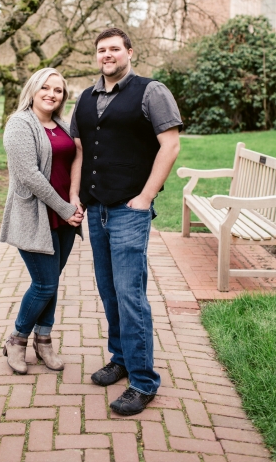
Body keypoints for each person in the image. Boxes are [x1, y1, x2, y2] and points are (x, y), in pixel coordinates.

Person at [70, 27, 182, 416]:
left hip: (129, 209)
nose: (107, 55)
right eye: (101, 50)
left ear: (130, 52)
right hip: (96, 207)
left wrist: (146, 197)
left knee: (131, 293)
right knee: (108, 289)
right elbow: (81, 153)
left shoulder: (152, 91)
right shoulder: (84, 98)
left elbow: (170, 145)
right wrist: (76, 198)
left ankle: (143, 380)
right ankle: (119, 358)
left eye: (114, 49)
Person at [0, 67, 84, 375]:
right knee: (44, 283)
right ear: (33, 90)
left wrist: (75, 200)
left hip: (64, 214)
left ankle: (44, 339)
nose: (51, 94)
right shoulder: (19, 124)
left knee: (51, 282)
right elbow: (29, 176)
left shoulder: (61, 124)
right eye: (45, 88)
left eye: (58, 90)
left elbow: (76, 159)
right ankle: (17, 340)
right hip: (36, 216)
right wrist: (64, 207)